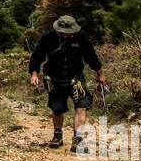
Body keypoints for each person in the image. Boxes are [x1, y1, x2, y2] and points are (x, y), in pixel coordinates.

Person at [28, 15, 105, 151]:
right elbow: (37, 56)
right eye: (67, 33)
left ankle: (78, 139)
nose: (70, 35)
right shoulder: (47, 38)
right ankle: (58, 135)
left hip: (76, 77)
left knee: (82, 107)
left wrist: (100, 73)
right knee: (57, 108)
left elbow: (90, 55)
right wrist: (34, 74)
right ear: (60, 31)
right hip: (54, 77)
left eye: (71, 33)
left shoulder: (80, 37)